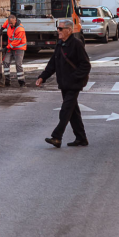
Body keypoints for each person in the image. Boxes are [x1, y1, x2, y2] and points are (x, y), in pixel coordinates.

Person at [35, 19, 92, 147]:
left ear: (69, 30)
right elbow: (52, 64)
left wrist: (74, 77)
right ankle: (81, 138)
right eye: (58, 28)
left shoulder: (77, 44)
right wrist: (42, 77)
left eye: (61, 29)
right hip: (64, 84)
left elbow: (86, 65)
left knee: (65, 110)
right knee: (73, 112)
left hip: (74, 84)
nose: (58, 31)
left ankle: (57, 137)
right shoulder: (60, 44)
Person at [1, 14, 27, 86]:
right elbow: (6, 22)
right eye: (9, 23)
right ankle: (7, 80)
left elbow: (16, 42)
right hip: (11, 47)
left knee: (18, 64)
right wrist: (2, 28)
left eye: (12, 23)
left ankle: (21, 81)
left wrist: (6, 48)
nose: (10, 25)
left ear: (15, 21)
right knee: (5, 61)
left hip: (19, 48)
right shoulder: (9, 22)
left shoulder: (20, 29)